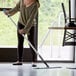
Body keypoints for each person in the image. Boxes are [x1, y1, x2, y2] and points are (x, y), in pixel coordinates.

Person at [4, 0, 40, 67]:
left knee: (31, 42)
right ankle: (19, 60)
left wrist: (25, 30)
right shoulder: (22, 1)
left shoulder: (35, 4)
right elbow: (16, 8)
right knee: (20, 42)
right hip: (21, 23)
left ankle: (34, 61)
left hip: (30, 25)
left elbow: (31, 19)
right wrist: (8, 12)